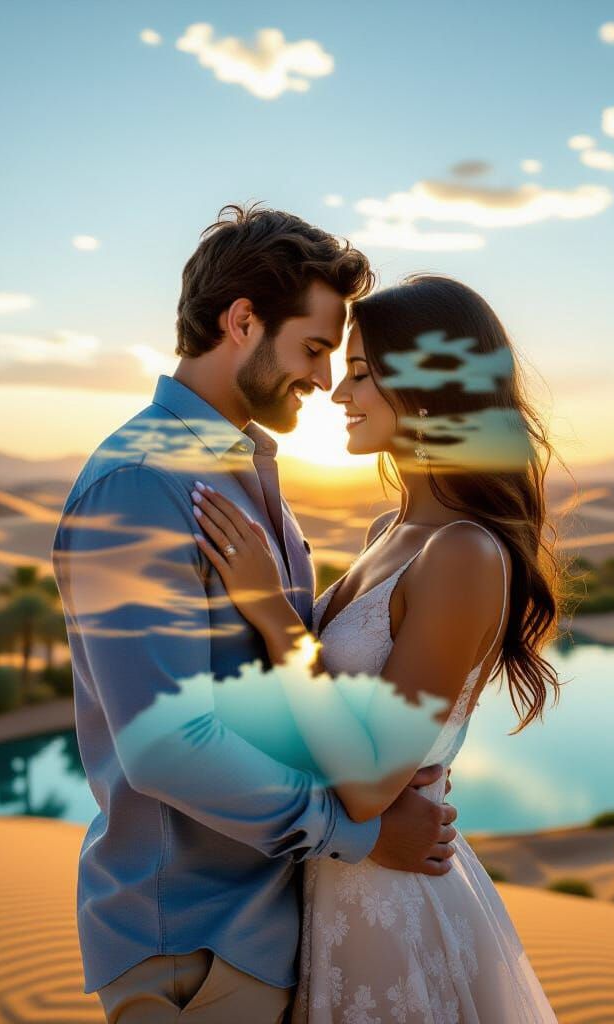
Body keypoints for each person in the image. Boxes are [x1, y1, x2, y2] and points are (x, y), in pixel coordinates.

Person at [51, 205, 460, 1024]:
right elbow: (167, 745)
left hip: (268, 928)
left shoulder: (245, 474)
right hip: (194, 945)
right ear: (242, 323)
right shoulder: (140, 486)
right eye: (313, 348)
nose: (324, 378)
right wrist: (363, 834)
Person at [191, 274, 564, 1022]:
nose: (338, 393)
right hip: (336, 882)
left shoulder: (462, 553)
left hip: (392, 907)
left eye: (360, 373)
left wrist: (274, 615)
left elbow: (367, 785)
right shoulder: (389, 534)